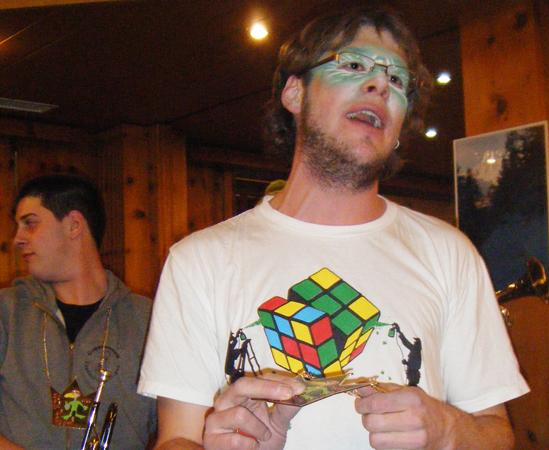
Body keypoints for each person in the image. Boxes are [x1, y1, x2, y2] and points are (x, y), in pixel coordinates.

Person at [139, 6, 529, 449]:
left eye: (397, 80)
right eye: (354, 65)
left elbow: (497, 433)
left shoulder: (449, 253)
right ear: (295, 93)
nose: (380, 84)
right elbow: (176, 438)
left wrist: (448, 430)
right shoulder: (199, 260)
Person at [0, 174, 156, 449]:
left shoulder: (148, 320)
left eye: (30, 223)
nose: (17, 239)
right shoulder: (6, 313)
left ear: (74, 224)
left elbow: (178, 427)